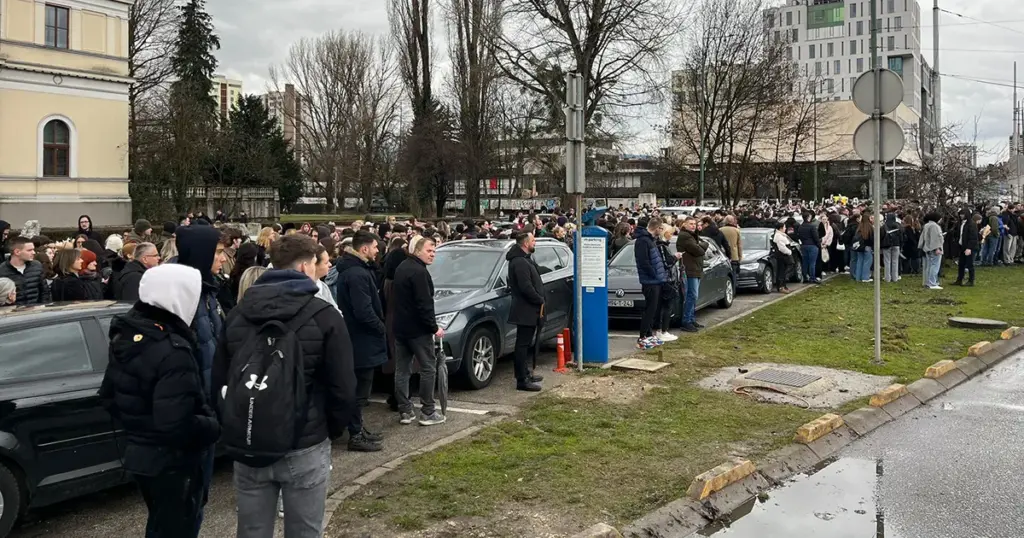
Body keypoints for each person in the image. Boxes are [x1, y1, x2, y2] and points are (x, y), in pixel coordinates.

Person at [213, 233, 354, 538]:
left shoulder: (237, 316)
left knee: (251, 531)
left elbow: (220, 380)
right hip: (305, 441)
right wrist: (330, 429)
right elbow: (343, 386)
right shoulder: (325, 316)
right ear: (305, 268)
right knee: (304, 531)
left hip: (250, 439)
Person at [99, 264, 220, 538]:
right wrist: (211, 426)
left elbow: (109, 395)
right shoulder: (172, 348)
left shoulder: (127, 335)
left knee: (159, 525)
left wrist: (139, 426)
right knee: (176, 527)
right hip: (172, 461)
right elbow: (176, 422)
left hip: (142, 454)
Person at [174, 225, 226, 533]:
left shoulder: (208, 290)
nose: (223, 258)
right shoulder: (183, 296)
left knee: (198, 497)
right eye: (218, 252)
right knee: (184, 502)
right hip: (190, 410)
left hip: (208, 405)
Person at [335, 231, 389, 450]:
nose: (378, 251)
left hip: (361, 339)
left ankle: (358, 428)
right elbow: (363, 310)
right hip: (361, 341)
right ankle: (355, 434)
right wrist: (381, 328)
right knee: (359, 391)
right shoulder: (356, 274)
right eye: (375, 247)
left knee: (361, 390)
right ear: (364, 248)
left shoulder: (357, 270)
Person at [392, 236, 446, 426]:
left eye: (434, 251)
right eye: (429, 251)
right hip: (418, 330)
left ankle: (405, 411)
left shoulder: (402, 267)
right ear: (417, 250)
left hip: (400, 328)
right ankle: (428, 411)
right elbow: (424, 305)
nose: (433, 255)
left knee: (402, 370)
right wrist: (434, 328)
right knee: (428, 368)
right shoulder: (419, 272)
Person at [506, 232, 545, 392]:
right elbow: (525, 286)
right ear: (525, 243)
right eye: (533, 240)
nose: (535, 243)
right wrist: (539, 299)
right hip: (525, 309)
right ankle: (522, 379)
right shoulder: (519, 262)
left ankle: (526, 373)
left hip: (529, 308)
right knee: (522, 344)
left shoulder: (524, 259)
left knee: (526, 343)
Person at [633, 218, 667, 349]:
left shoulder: (650, 240)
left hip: (655, 280)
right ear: (657, 228)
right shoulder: (643, 241)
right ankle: (642, 336)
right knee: (649, 309)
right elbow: (643, 261)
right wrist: (654, 274)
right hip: (650, 281)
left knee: (653, 309)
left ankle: (648, 334)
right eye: (661, 228)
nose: (662, 231)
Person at [676, 217, 708, 333]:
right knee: (692, 295)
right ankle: (686, 321)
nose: (693, 226)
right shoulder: (685, 236)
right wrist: (701, 245)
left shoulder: (692, 235)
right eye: (690, 224)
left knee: (694, 296)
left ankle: (691, 318)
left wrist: (701, 245)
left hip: (695, 269)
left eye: (694, 224)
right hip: (689, 270)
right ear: (684, 224)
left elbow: (702, 245)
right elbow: (698, 250)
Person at [0, 237, 50, 305]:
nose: (34, 252)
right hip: (12, 313)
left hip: (36, 311)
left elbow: (44, 291)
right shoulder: (2, 270)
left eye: (33, 249)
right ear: (17, 252)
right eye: (29, 250)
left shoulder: (37, 266)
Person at [656, 223, 681, 342]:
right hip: (665, 280)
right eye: (670, 233)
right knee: (667, 306)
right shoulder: (661, 246)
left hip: (664, 279)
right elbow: (666, 264)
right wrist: (675, 257)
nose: (671, 235)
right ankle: (663, 330)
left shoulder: (662, 245)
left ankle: (661, 330)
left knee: (663, 306)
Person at [954, 208, 979, 287]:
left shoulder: (971, 224)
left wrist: (969, 248)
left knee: (970, 264)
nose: (961, 216)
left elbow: (973, 237)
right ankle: (959, 279)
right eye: (960, 214)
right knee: (961, 264)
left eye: (963, 214)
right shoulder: (961, 223)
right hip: (962, 246)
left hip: (968, 247)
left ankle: (971, 280)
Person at [919, 212, 944, 290]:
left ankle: (927, 282)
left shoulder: (926, 225)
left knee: (929, 266)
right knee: (935, 266)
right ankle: (932, 283)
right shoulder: (934, 226)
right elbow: (935, 238)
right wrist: (937, 248)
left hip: (927, 248)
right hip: (934, 249)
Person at [796, 212, 821, 283]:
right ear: (808, 217)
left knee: (805, 262)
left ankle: (805, 277)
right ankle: (812, 278)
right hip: (812, 245)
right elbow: (816, 237)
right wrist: (818, 244)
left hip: (804, 245)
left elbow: (799, 236)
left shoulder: (800, 226)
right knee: (812, 263)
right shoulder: (812, 226)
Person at [719, 215, 742, 291]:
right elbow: (739, 245)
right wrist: (740, 256)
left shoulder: (720, 230)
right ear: (732, 221)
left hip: (723, 255)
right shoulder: (736, 230)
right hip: (734, 256)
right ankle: (734, 290)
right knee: (734, 274)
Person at [771, 220, 793, 293]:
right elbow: (781, 248)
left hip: (783, 256)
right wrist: (789, 252)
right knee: (781, 272)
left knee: (783, 271)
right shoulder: (779, 236)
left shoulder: (781, 235)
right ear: (780, 228)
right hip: (782, 256)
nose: (785, 228)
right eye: (784, 227)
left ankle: (783, 286)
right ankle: (781, 287)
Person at [881, 213, 903, 283]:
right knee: (895, 261)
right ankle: (895, 277)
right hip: (896, 245)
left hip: (886, 245)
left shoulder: (884, 226)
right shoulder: (898, 226)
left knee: (887, 262)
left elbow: (881, 236)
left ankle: (887, 278)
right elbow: (902, 237)